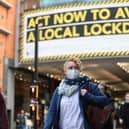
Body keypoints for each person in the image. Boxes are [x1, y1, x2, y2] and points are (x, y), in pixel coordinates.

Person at [43, 57, 109, 129]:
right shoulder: (59, 90)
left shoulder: (87, 86)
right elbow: (52, 112)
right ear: (65, 71)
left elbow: (104, 101)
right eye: (70, 68)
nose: (73, 70)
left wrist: (88, 95)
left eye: (76, 68)